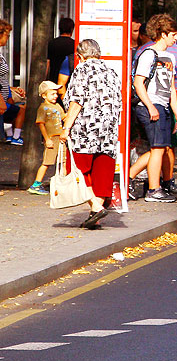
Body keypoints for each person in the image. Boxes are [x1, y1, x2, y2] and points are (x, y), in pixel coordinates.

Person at [62, 39, 122, 229]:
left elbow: (77, 101)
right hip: (109, 130)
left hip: (86, 129)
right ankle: (95, 213)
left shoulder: (82, 69)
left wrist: (66, 128)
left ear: (80, 56)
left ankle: (95, 206)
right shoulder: (111, 71)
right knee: (102, 172)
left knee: (78, 170)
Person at [127, 14, 177, 203]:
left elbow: (169, 89)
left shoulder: (169, 57)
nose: (176, 39)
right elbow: (138, 83)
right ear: (162, 34)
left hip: (162, 106)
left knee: (159, 148)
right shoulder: (148, 54)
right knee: (158, 148)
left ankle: (127, 179)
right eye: (173, 35)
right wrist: (150, 106)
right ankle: (153, 190)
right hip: (151, 106)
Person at [27, 81, 65, 195]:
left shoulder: (57, 106)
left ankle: (63, 184)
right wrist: (47, 139)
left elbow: (64, 117)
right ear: (44, 95)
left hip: (60, 138)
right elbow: (41, 124)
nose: (55, 96)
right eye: (52, 94)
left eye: (56, 94)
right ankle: (36, 184)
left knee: (63, 161)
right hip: (52, 138)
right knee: (47, 162)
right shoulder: (43, 108)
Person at [0, 20, 26, 145]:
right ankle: (14, 136)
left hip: (4, 98)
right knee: (19, 109)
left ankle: (11, 136)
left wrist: (12, 89)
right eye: (7, 35)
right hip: (1, 102)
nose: (8, 38)